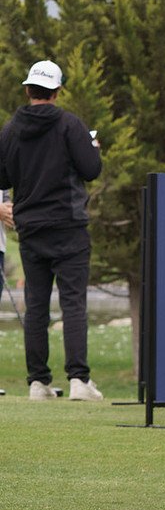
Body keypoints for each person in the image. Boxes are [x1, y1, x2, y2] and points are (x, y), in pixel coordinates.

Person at [0, 60, 103, 402]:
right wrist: (94, 149)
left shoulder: (11, 130)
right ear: (57, 91)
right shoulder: (69, 125)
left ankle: (37, 383)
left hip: (30, 228)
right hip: (68, 226)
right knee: (73, 303)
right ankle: (78, 380)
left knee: (36, 306)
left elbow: (2, 178)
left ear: (28, 90)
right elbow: (91, 169)